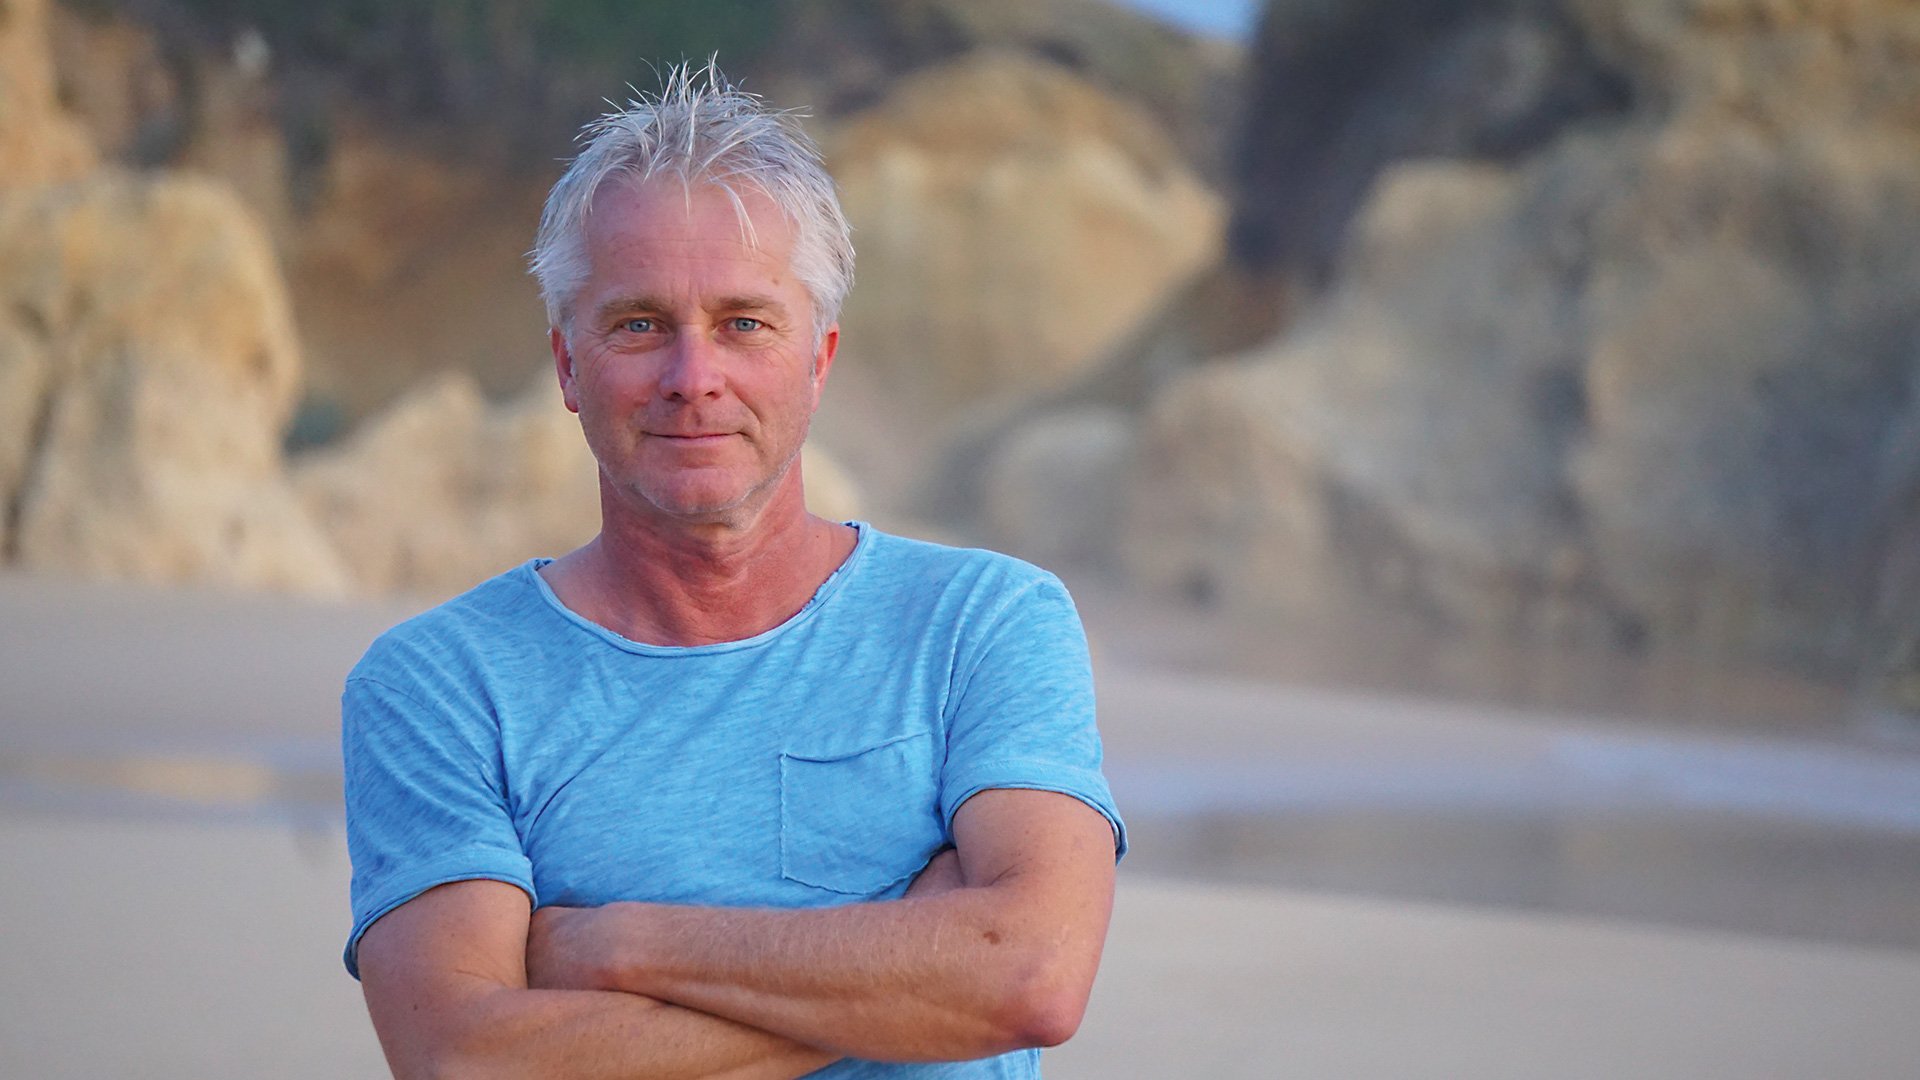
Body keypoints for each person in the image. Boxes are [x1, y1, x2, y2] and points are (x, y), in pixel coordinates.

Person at [341, 62, 1125, 1080]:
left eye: (744, 322)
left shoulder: (981, 625)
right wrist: (912, 974)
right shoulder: (441, 686)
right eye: (639, 325)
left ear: (820, 357)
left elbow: (1033, 978)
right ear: (569, 365)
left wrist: (620, 947)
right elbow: (469, 1064)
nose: (693, 377)